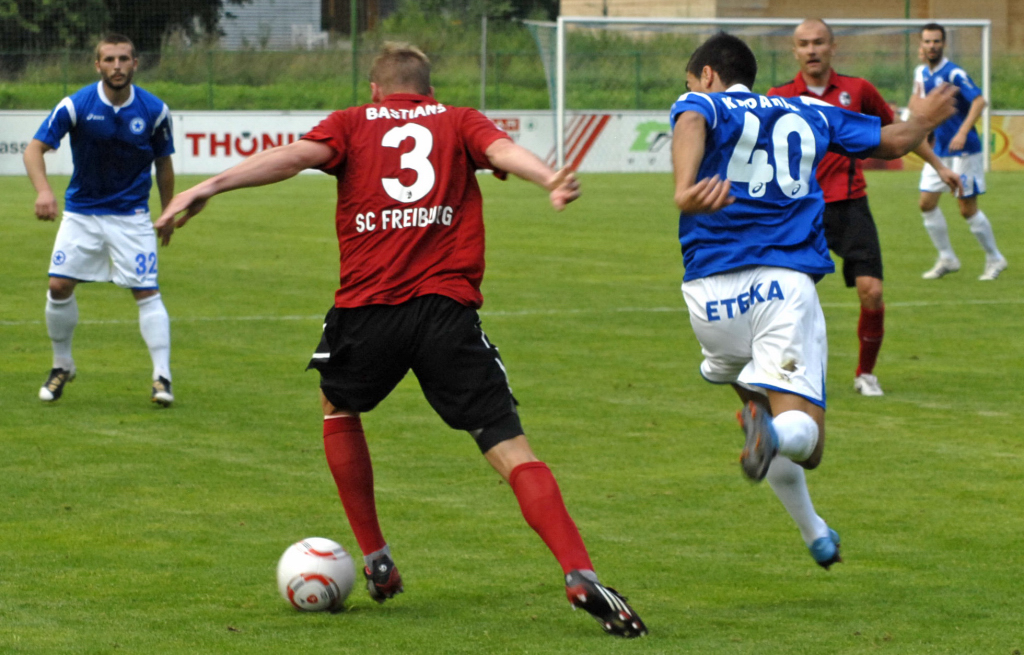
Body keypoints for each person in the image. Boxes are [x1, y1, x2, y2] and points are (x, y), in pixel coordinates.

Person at [154, 42, 646, 638]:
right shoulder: (458, 120)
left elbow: (292, 157)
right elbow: (501, 151)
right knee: (507, 443)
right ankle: (579, 571)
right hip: (445, 312)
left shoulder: (351, 123)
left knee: (339, 406)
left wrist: (207, 187)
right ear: (429, 90)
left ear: (374, 90)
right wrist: (550, 178)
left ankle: (376, 557)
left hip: (368, 311)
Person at [669, 33, 955, 569]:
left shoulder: (704, 103)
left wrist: (685, 186)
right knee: (806, 440)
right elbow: (895, 141)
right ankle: (775, 433)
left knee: (759, 409)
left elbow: (689, 120)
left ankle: (815, 533)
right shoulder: (808, 110)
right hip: (780, 291)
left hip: (708, 301)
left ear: (708, 74)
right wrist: (923, 119)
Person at [767, 19, 963, 397]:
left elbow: (900, 133)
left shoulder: (858, 90)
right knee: (790, 298)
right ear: (794, 51)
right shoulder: (779, 97)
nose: (812, 50)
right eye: (804, 44)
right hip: (799, 211)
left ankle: (865, 375)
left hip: (850, 203)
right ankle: (783, 373)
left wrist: (939, 166)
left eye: (819, 42)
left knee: (871, 291)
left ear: (833, 47)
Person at [24, 33, 176, 406]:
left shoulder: (155, 110)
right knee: (59, 286)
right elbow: (34, 149)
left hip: (132, 217)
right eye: (109, 59)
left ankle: (162, 378)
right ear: (97, 65)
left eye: (124, 59)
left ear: (135, 63)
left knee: (146, 290)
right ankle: (62, 365)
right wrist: (43, 191)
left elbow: (164, 163)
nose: (117, 66)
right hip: (82, 214)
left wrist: (169, 210)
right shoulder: (76, 104)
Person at [914, 22, 1008, 281]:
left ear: (943, 44)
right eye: (927, 41)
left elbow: (979, 100)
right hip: (940, 150)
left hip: (964, 150)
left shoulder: (954, 73)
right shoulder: (921, 73)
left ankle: (995, 258)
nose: (932, 45)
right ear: (921, 44)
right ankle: (947, 258)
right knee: (926, 203)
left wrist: (963, 131)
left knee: (966, 208)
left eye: (936, 41)